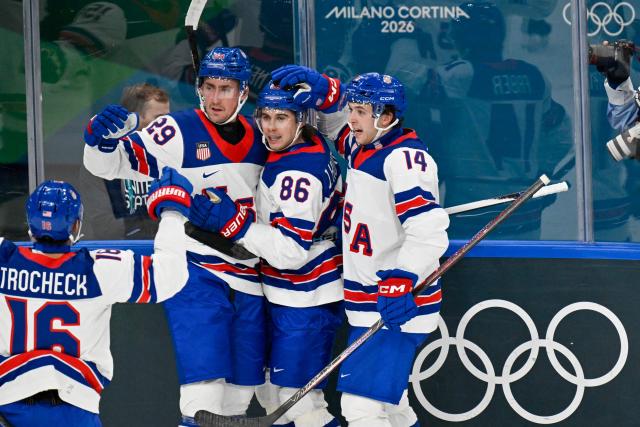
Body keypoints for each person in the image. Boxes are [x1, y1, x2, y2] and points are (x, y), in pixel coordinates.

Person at [82, 46, 268, 426]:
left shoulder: (263, 135)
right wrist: (99, 142)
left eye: (226, 89)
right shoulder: (175, 130)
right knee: (203, 395)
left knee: (238, 395)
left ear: (244, 93)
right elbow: (112, 164)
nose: (215, 98)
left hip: (252, 273)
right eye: (209, 87)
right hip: (196, 269)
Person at [271, 66, 450, 426]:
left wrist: (403, 277)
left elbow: (430, 231)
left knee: (361, 408)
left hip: (397, 303)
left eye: (360, 111)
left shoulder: (405, 159)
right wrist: (327, 92)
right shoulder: (366, 146)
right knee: (393, 405)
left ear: (386, 117)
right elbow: (337, 128)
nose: (351, 119)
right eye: (351, 108)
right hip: (373, 300)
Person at [189, 82, 343, 426]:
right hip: (288, 294)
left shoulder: (297, 175)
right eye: (265, 116)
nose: (270, 127)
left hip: (305, 298)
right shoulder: (308, 140)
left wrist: (235, 224)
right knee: (276, 395)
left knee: (299, 402)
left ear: (300, 120)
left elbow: (290, 251)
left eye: (281, 118)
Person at [0, 167, 191, 427]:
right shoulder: (99, 269)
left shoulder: (4, 260)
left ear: (29, 223)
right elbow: (172, 275)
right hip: (77, 404)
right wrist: (172, 212)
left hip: (11, 404)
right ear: (76, 224)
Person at [81, 82, 171, 240]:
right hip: (122, 255)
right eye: (159, 120)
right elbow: (103, 227)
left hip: (168, 253)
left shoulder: (170, 155)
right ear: (134, 119)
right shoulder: (103, 161)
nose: (167, 126)